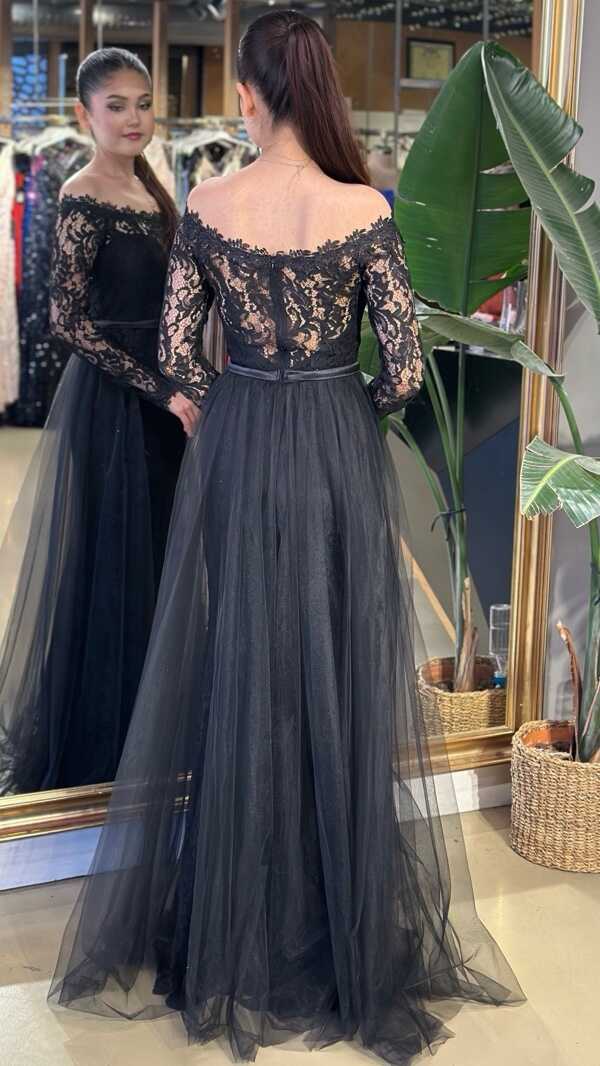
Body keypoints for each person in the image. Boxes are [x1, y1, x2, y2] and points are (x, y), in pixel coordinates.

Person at [49, 13, 523, 1064]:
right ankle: (329, 911)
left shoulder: (208, 204)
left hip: (241, 436)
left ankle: (240, 922)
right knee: (332, 664)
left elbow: (180, 354)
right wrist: (339, 401)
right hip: (334, 441)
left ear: (251, 96)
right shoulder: (365, 209)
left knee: (242, 664)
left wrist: (235, 399)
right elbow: (404, 369)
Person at [0, 48, 203, 795]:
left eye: (143, 103)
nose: (134, 118)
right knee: (113, 564)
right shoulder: (81, 194)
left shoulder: (154, 188)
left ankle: (159, 726)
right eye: (116, 105)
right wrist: (161, 390)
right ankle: (109, 744)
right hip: (116, 406)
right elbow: (68, 321)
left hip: (165, 401)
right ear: (84, 114)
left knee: (161, 559)